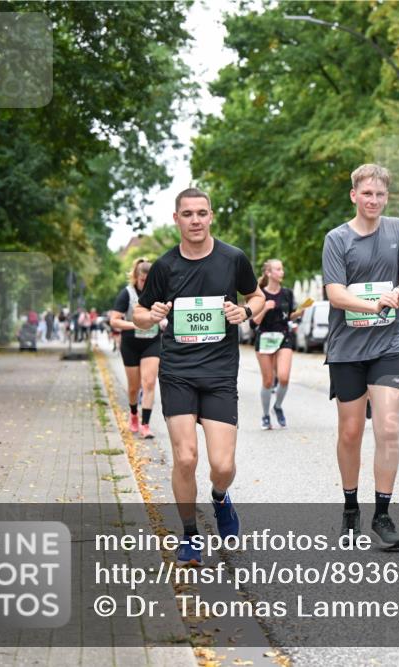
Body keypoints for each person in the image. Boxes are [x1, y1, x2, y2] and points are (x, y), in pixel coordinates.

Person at [133, 188, 264, 566]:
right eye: (187, 214)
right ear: (176, 219)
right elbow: (140, 315)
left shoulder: (232, 258)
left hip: (220, 372)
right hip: (178, 372)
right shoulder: (164, 266)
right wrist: (153, 314)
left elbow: (256, 297)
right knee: (186, 458)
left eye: (201, 213)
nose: (195, 220)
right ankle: (190, 535)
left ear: (210, 217)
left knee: (222, 466)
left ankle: (220, 498)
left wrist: (246, 311)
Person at [322, 164, 399, 551]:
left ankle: (383, 513)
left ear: (386, 197)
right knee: (350, 432)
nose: (374, 200)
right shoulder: (337, 238)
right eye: (367, 194)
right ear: (354, 196)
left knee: (389, 428)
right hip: (347, 348)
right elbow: (334, 293)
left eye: (380, 194)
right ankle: (350, 506)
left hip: (389, 345)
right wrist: (371, 302)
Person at [110, 258, 164, 439]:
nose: (145, 284)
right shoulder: (127, 294)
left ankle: (145, 424)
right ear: (136, 277)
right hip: (131, 344)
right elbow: (114, 320)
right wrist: (135, 324)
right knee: (134, 388)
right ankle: (133, 414)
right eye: (142, 280)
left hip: (152, 342)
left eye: (149, 280)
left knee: (149, 383)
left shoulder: (158, 293)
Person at [252, 259, 308, 429]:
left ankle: (277, 406)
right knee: (268, 381)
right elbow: (253, 323)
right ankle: (265, 415)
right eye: (278, 269)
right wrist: (265, 308)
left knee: (283, 378)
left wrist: (299, 313)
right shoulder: (259, 295)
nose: (281, 272)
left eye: (282, 269)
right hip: (264, 338)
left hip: (284, 337)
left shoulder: (287, 293)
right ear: (269, 273)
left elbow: (288, 316)